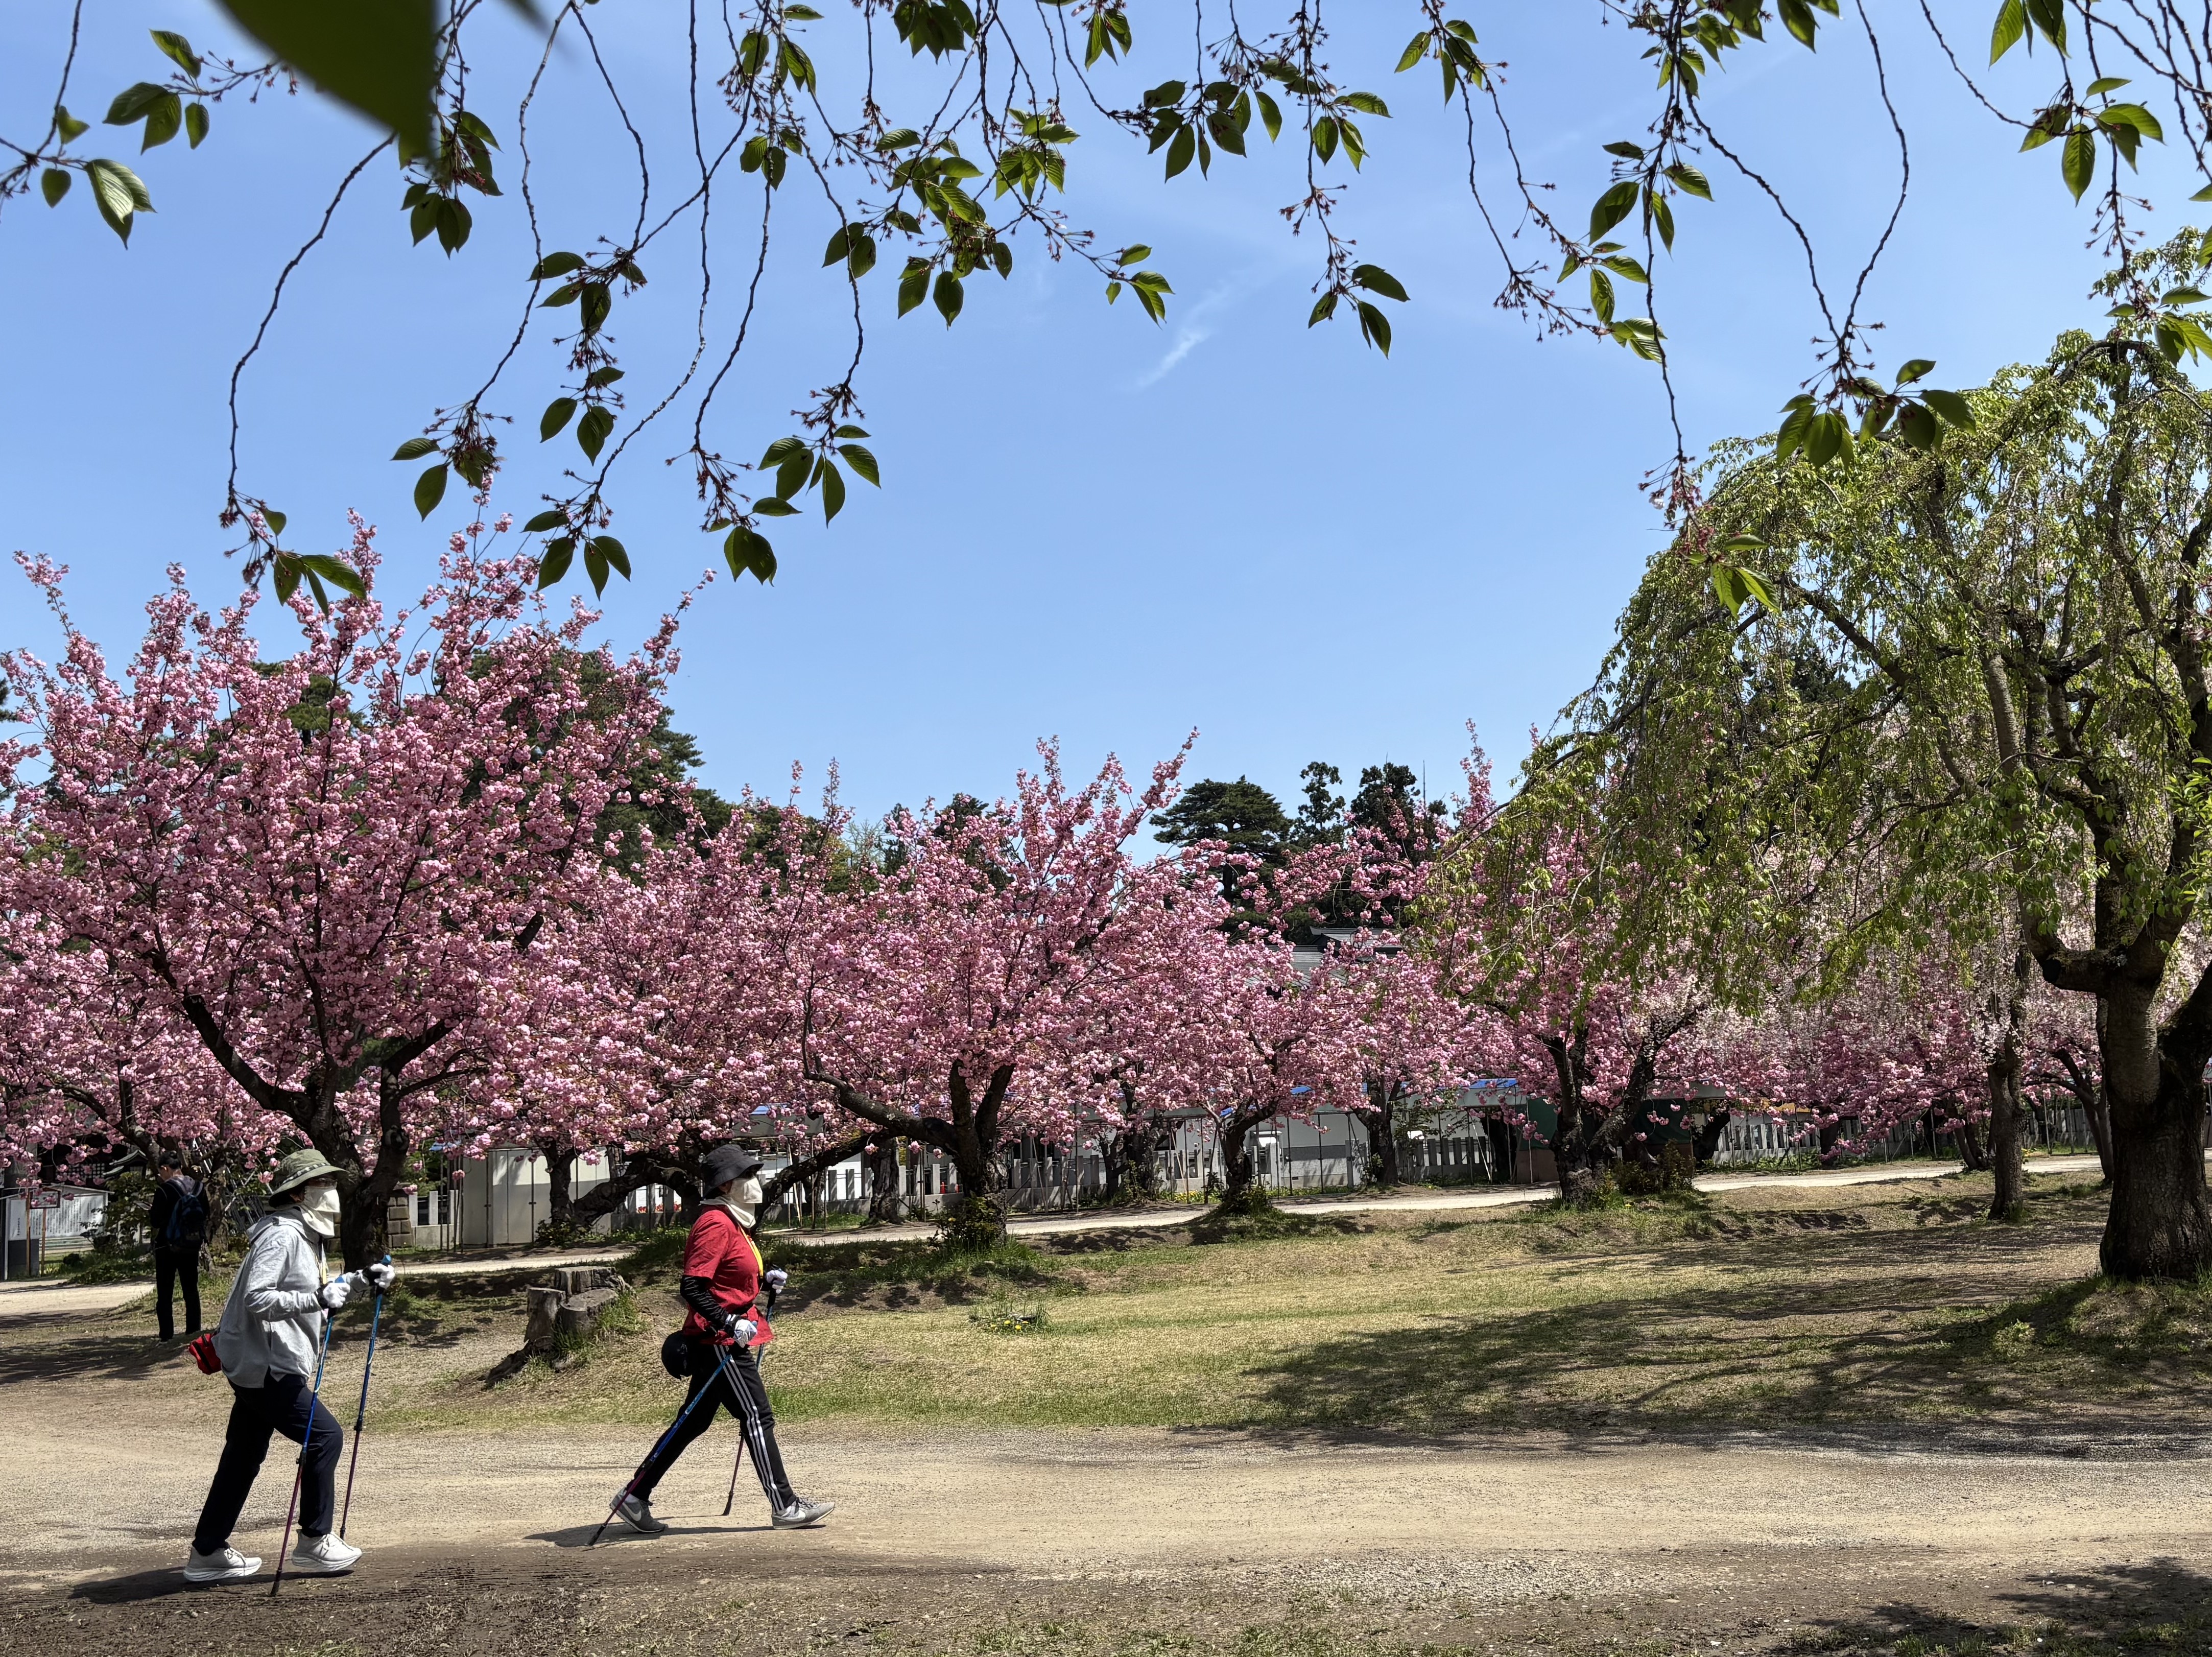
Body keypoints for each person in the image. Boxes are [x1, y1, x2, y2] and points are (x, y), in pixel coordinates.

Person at [182, 1147, 397, 1584]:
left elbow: (316, 1290)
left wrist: (360, 1280)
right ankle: (314, 1541)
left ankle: (207, 1551)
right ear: (300, 1193)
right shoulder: (284, 1235)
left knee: (243, 1457)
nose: (333, 1190)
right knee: (325, 1436)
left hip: (258, 1364)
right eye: (325, 1183)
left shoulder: (303, 1234)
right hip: (268, 1365)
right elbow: (258, 1298)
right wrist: (316, 1299)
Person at [611, 1145, 833, 1534]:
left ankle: (634, 1496)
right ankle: (785, 1506)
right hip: (720, 1342)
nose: (756, 1182)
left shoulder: (733, 1222)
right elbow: (693, 1287)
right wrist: (728, 1322)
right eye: (748, 1176)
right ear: (728, 1185)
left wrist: (762, 1282)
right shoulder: (715, 1223)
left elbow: (726, 1277)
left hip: (725, 1335)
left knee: (693, 1421)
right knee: (757, 1417)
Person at [149, 1150, 207, 1343]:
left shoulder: (164, 1190)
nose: (161, 1176)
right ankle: (193, 1332)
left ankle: (166, 1336)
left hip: (167, 1246)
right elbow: (205, 1214)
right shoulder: (199, 1188)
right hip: (191, 1245)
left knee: (165, 1291)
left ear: (166, 1169)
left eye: (161, 1173)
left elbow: (156, 1221)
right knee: (191, 1289)